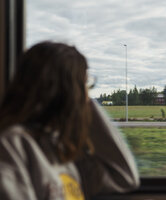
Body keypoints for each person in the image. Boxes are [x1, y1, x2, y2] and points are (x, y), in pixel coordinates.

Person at [0, 41, 139, 200]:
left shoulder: (63, 149)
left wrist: (85, 102)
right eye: (84, 84)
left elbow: (124, 176)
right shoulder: (13, 145)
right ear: (65, 93)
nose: (87, 93)